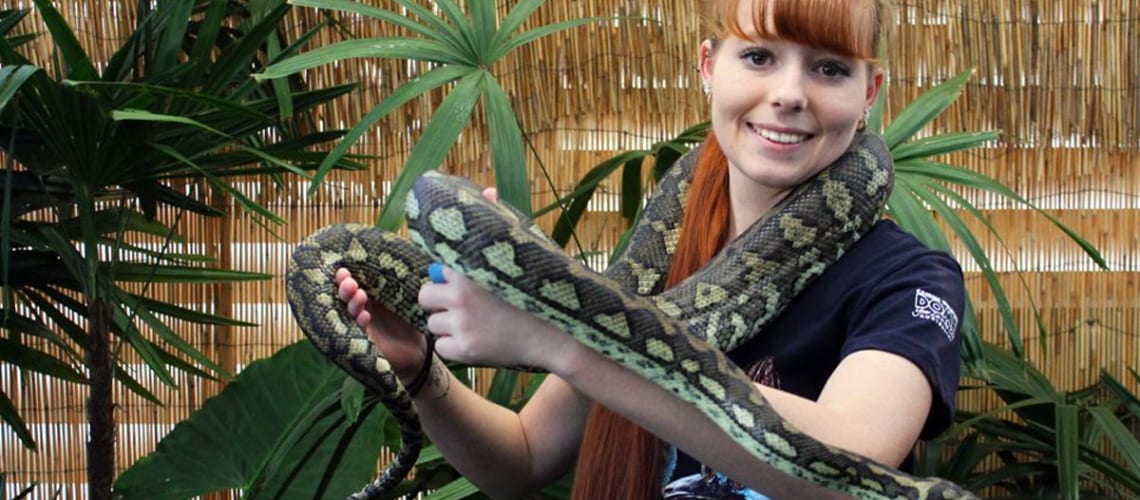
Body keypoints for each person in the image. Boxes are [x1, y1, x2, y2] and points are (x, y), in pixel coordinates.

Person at [335, 0, 965, 498]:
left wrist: (559, 339)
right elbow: (521, 458)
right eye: (759, 57)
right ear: (707, 67)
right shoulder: (660, 257)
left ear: (872, 91)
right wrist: (418, 370)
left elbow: (846, 469)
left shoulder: (910, 279)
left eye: (829, 67)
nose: (791, 94)